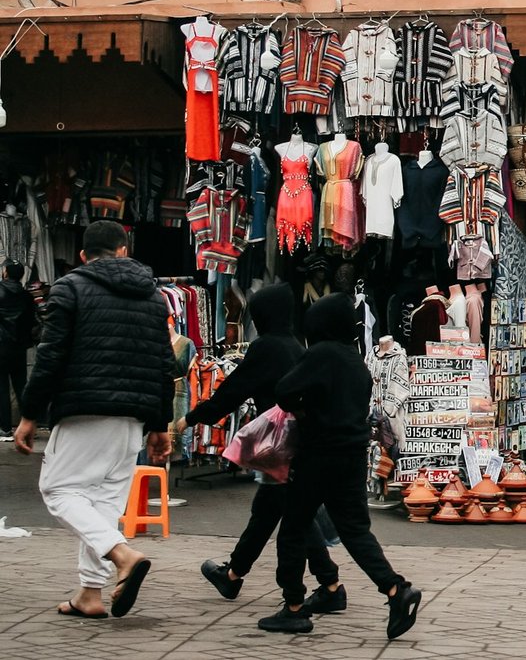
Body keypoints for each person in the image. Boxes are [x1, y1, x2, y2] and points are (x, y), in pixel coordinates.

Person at [13, 220, 175, 619]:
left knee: (59, 490)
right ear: (124, 250)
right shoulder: (153, 296)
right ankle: (90, 594)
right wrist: (160, 425)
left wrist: (29, 415)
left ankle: (123, 555)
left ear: (84, 255)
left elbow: (50, 356)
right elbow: (163, 365)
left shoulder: (70, 287)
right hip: (131, 421)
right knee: (103, 502)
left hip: (85, 409)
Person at [174, 283, 343, 608]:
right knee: (266, 513)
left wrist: (190, 418)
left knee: (295, 517)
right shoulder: (295, 345)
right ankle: (233, 575)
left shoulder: (267, 347)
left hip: (281, 447)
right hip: (295, 444)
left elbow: (231, 392)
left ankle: (331, 585)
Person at [264, 293, 421, 638]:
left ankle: (293, 608)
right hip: (351, 458)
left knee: (294, 527)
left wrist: (302, 410)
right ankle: (397, 590)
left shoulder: (321, 354)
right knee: (354, 530)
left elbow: (284, 389)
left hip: (318, 456)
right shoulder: (356, 361)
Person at [0, 261, 36, 440]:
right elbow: (32, 322)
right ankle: (28, 425)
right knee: (21, 385)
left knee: (1, 387)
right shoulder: (27, 296)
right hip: (19, 348)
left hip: (1, 345)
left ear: (5, 273)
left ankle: (4, 428)